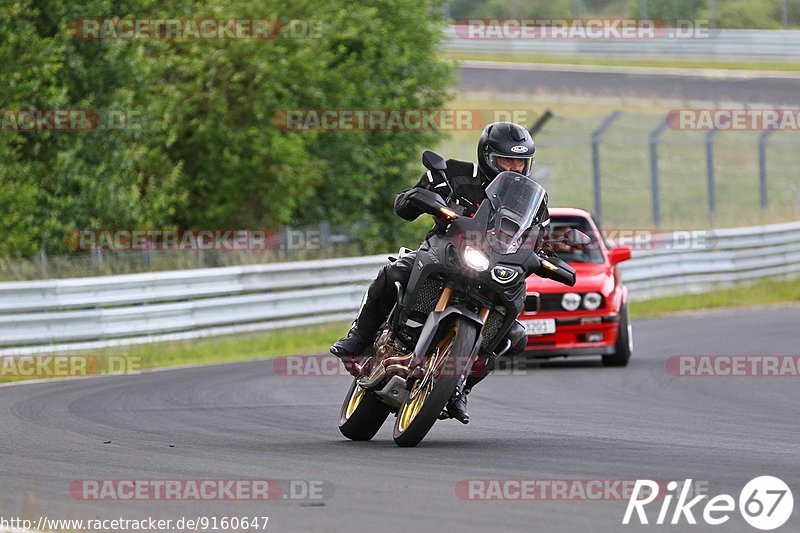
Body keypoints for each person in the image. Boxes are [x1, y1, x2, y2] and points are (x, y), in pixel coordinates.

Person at [331, 121, 553, 423]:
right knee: (394, 273)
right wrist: (421, 198)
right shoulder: (454, 173)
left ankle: (460, 387)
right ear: (487, 157)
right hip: (444, 253)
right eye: (506, 160)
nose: (513, 168)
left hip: (494, 269)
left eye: (520, 162)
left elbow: (541, 238)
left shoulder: (535, 203)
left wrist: (549, 258)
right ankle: (359, 337)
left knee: (515, 337)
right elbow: (407, 201)